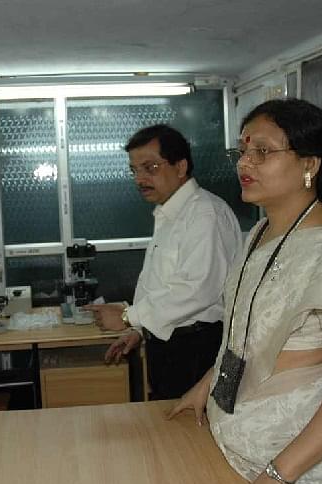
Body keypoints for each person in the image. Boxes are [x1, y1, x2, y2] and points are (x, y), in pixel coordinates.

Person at [168, 98, 322, 484]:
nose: (245, 163)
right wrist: (208, 384)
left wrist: (279, 475)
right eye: (242, 151)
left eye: (262, 151)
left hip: (298, 470)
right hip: (238, 447)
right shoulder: (260, 233)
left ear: (309, 164)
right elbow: (250, 336)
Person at [89, 124, 242, 400]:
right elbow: (160, 284)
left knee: (191, 426)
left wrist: (127, 316)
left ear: (180, 167)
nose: (140, 179)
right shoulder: (170, 213)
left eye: (150, 168)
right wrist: (138, 330)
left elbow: (198, 290)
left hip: (197, 349)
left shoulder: (204, 214)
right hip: (170, 345)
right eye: (134, 170)